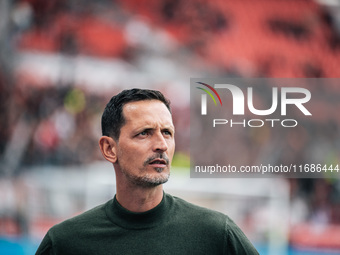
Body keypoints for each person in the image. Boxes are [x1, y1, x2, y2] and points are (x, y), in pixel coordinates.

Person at [35, 88, 259, 255]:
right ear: (109, 148)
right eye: (144, 133)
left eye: (167, 133)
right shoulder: (65, 243)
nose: (161, 144)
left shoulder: (216, 233)